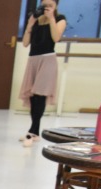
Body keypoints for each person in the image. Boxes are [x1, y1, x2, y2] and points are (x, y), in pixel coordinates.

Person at [19, 0, 66, 147]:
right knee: (33, 97)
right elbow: (25, 43)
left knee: (40, 95)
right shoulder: (36, 19)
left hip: (48, 60)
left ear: (56, 6)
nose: (47, 8)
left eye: (50, 5)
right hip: (33, 60)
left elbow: (56, 38)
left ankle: (32, 131)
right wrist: (30, 24)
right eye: (44, 5)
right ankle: (35, 133)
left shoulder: (60, 19)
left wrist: (51, 18)